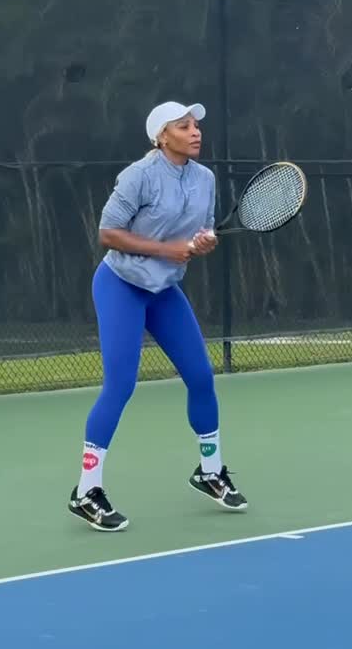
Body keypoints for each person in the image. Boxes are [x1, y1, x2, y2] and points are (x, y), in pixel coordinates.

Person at [68, 101, 248, 532]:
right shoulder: (139, 176)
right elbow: (108, 233)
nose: (195, 132)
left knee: (201, 377)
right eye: (183, 126)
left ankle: (210, 471)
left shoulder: (205, 179)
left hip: (164, 290)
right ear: (161, 137)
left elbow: (198, 233)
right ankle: (86, 492)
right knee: (120, 386)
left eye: (196, 125)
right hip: (120, 286)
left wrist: (201, 243)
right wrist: (166, 250)